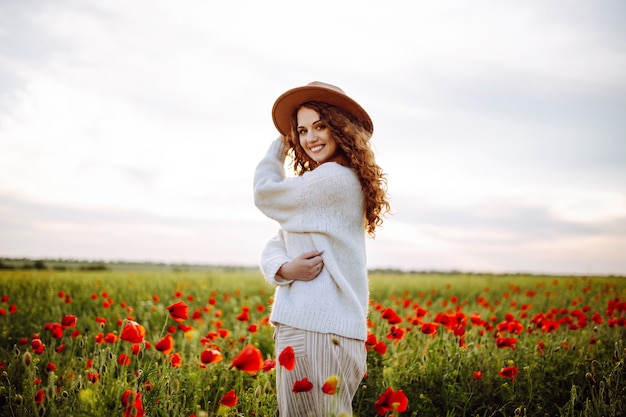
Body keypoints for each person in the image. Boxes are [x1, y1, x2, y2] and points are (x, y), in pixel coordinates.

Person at [253, 81, 389, 416]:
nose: (310, 138)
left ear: (340, 128)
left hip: (316, 328)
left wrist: (277, 148)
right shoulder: (324, 187)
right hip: (322, 329)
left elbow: (265, 193)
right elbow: (277, 243)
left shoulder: (332, 180)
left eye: (320, 125)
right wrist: (284, 269)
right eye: (300, 130)